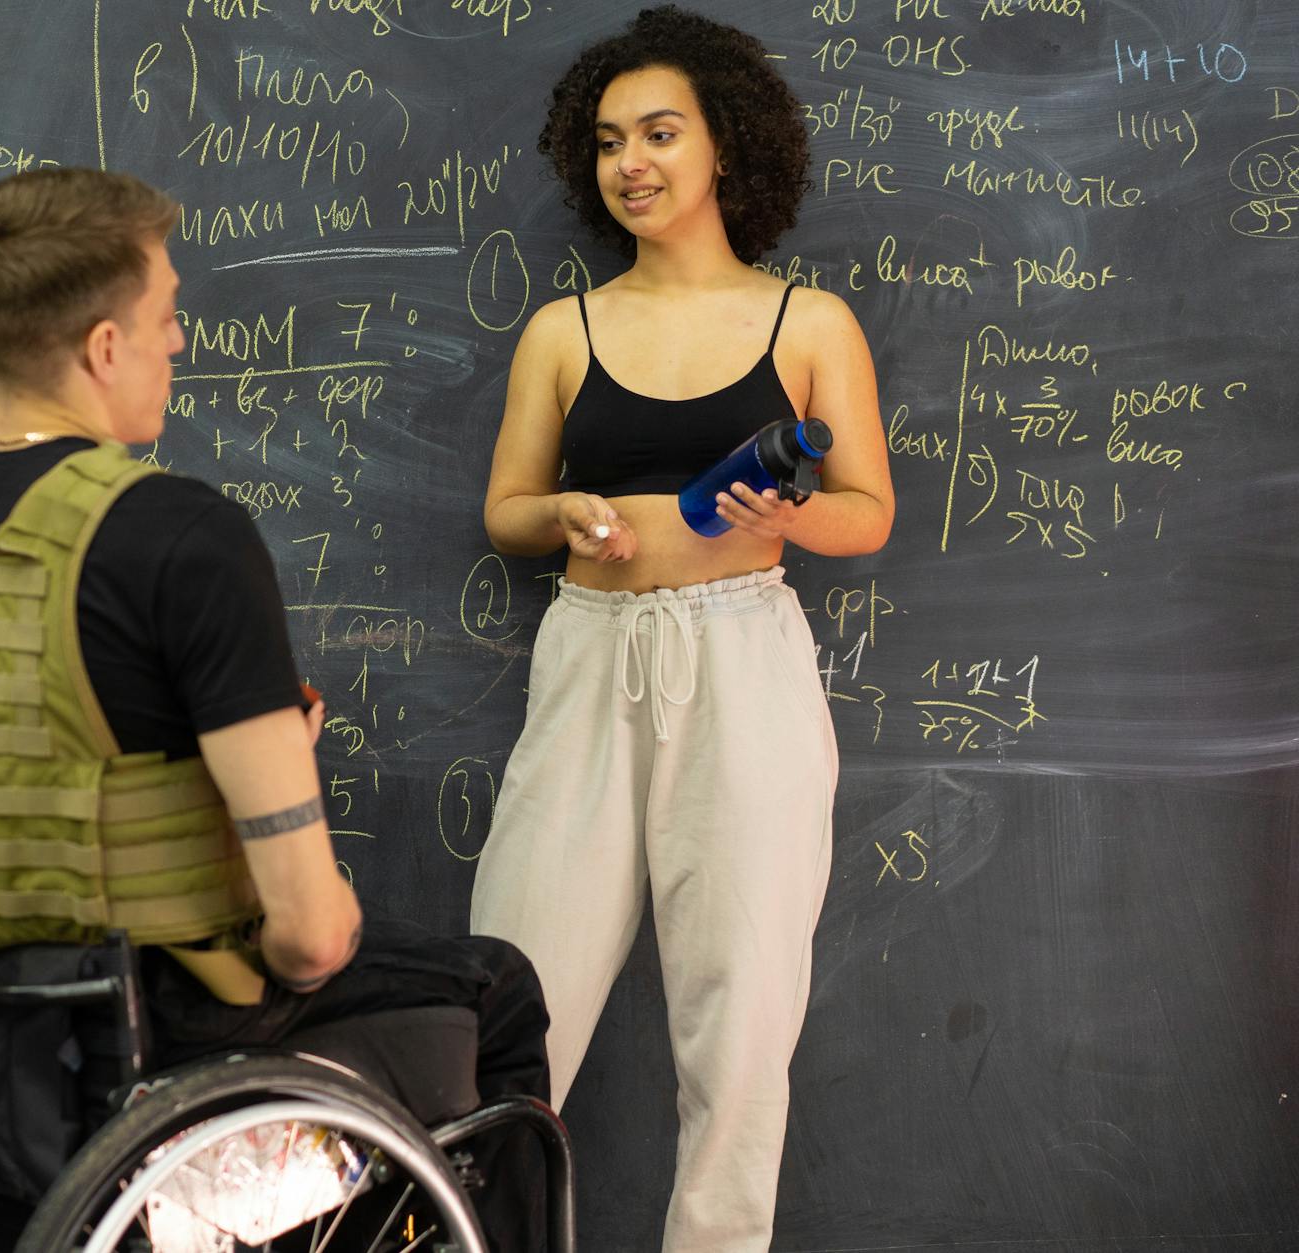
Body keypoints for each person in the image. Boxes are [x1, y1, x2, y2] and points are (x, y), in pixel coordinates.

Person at [0, 166, 550, 1249]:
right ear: (103, 347)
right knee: (492, 986)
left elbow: (41, 751)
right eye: (166, 315)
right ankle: (222, 1217)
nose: (180, 341)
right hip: (156, 1028)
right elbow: (311, 940)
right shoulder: (177, 534)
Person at [468, 7, 894, 1251]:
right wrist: (557, 511)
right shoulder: (563, 329)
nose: (630, 164)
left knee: (742, 1013)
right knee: (510, 993)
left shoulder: (805, 323)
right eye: (608, 142)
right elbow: (503, 510)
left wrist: (787, 514)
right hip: (592, 654)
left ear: (726, 149)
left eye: (659, 133)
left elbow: (865, 510)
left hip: (741, 660)